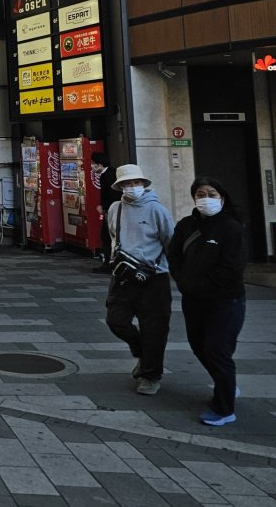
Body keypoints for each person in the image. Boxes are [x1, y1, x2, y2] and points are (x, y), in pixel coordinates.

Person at [168, 177, 248, 426]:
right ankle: (227, 384)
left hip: (225, 300)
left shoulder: (231, 228)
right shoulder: (186, 226)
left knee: (217, 349)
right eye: (200, 194)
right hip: (193, 299)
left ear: (222, 197)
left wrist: (202, 286)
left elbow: (232, 268)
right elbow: (174, 256)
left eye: (211, 194)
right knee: (198, 344)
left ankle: (224, 408)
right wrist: (183, 281)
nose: (206, 198)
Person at [105, 164, 175, 396]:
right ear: (120, 187)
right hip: (123, 276)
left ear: (144, 184)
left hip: (154, 277)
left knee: (154, 328)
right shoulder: (116, 208)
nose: (132, 187)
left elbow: (170, 242)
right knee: (116, 320)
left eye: (136, 183)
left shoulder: (157, 210)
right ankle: (143, 353)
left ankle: (151, 375)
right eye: (127, 183)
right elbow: (114, 237)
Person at [90, 152, 118, 274]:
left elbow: (111, 195)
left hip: (112, 211)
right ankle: (108, 262)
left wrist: (104, 207)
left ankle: (108, 264)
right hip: (110, 210)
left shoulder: (108, 175)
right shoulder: (109, 173)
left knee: (107, 237)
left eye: (93, 164)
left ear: (99, 164)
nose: (92, 166)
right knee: (106, 237)